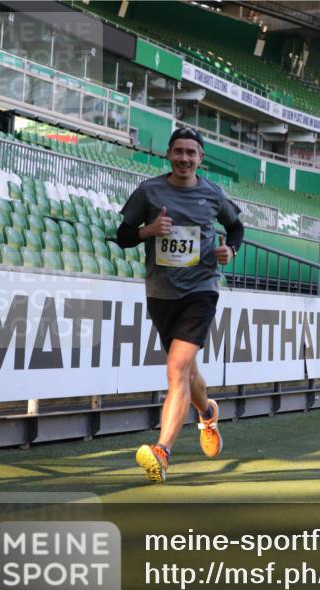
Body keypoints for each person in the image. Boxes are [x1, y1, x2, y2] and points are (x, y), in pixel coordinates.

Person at [117, 127, 243, 483]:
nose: (184, 158)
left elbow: (236, 228)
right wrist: (149, 230)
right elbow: (123, 235)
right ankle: (207, 413)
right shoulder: (149, 191)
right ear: (169, 154)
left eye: (191, 152)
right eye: (179, 151)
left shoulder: (213, 193)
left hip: (201, 290)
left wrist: (230, 250)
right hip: (161, 293)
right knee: (186, 372)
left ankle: (162, 451)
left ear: (200, 158)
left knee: (176, 368)